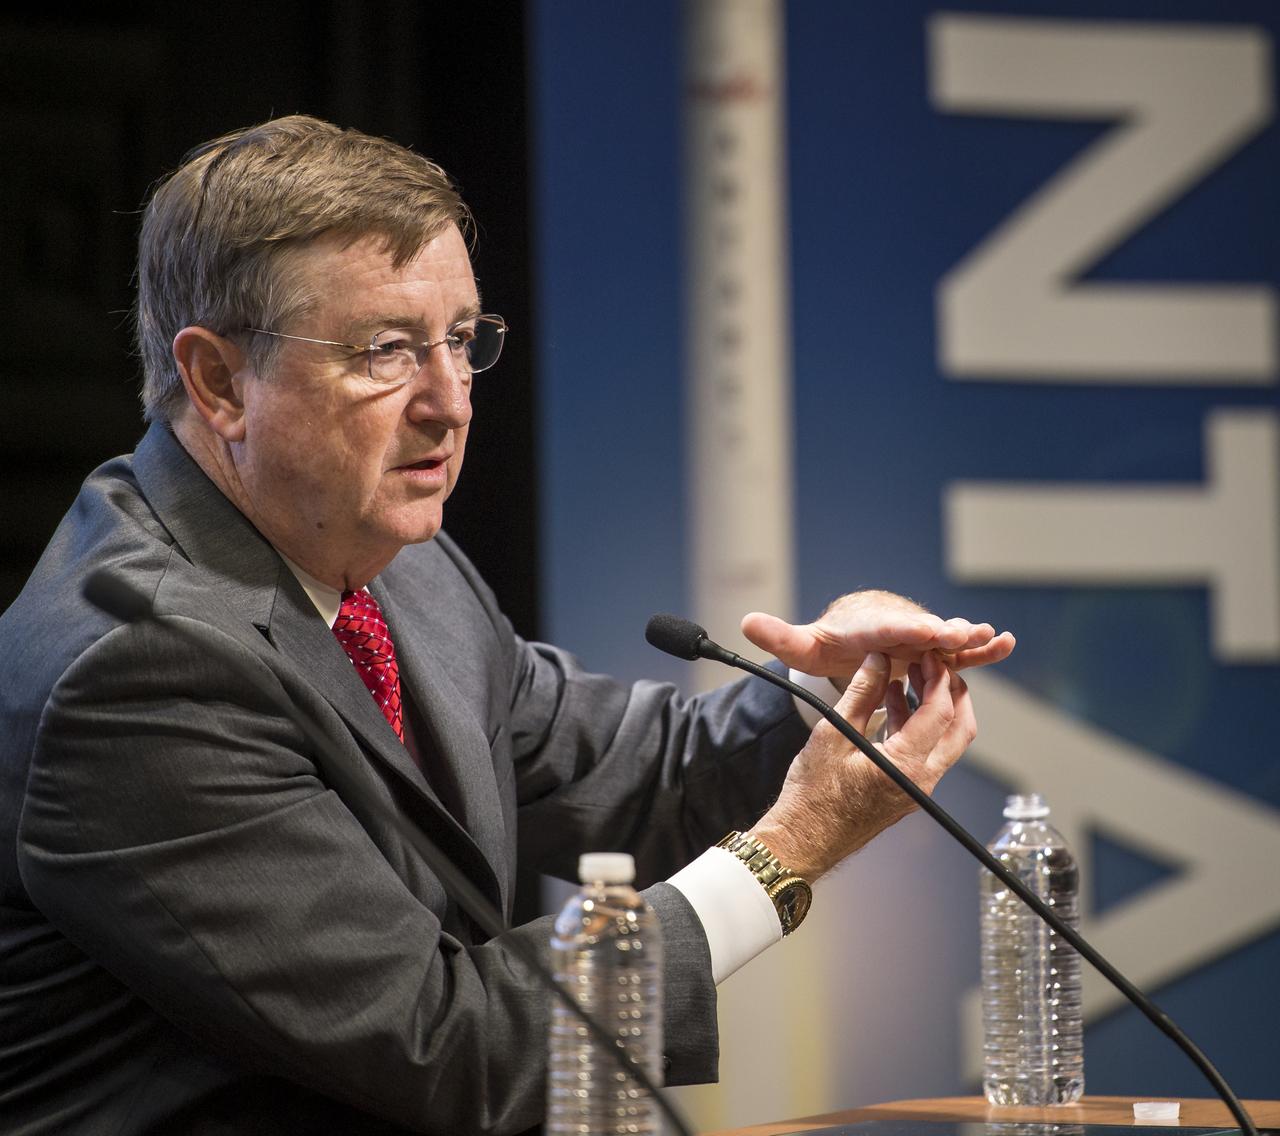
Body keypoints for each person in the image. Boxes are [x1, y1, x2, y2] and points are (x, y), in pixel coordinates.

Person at [0, 116, 1014, 1135]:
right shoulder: (137, 666)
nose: (449, 403)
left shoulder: (398, 562)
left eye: (459, 340)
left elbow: (636, 772)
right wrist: (788, 848)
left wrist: (827, 704)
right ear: (221, 380)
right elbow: (450, 1044)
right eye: (385, 350)